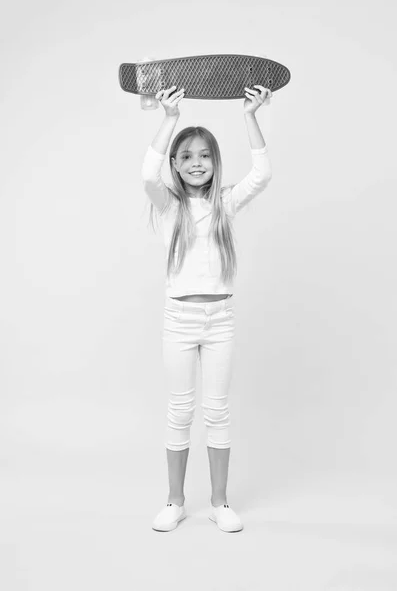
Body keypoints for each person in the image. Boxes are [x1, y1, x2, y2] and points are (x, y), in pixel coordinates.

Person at [141, 84, 273, 532]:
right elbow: (146, 173)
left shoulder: (225, 204)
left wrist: (250, 116)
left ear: (216, 162)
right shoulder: (168, 206)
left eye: (205, 155)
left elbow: (262, 173)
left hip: (220, 321)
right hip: (179, 321)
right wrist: (169, 119)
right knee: (180, 411)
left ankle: (220, 503)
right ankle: (175, 501)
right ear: (176, 165)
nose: (197, 162)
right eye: (187, 156)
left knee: (217, 411)